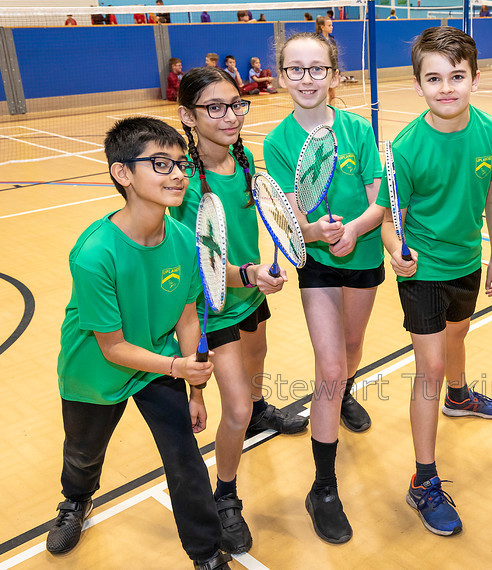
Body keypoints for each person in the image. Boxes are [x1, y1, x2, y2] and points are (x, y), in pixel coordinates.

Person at [45, 116, 231, 570]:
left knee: (186, 460)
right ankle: (76, 500)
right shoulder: (95, 253)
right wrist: (177, 369)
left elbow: (189, 317)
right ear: (122, 173)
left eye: (181, 164)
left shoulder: (185, 239)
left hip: (159, 363)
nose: (178, 174)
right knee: (83, 453)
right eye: (161, 164)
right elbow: (112, 348)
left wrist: (196, 389)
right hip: (96, 372)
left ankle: (207, 554)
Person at [375, 26, 492, 536]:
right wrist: (396, 252)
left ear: (475, 78)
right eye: (434, 79)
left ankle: (460, 397)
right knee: (428, 366)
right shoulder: (405, 149)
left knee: (458, 335)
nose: (447, 88)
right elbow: (391, 219)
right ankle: (423, 481)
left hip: (467, 262)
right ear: (418, 85)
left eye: (457, 76)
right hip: (424, 267)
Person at [172, 66, 308, 555]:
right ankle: (225, 494)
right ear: (187, 116)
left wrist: (304, 236)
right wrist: (248, 274)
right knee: (234, 408)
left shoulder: (246, 158)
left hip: (250, 297)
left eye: (236, 104)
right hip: (214, 310)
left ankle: (258, 414)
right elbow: (196, 261)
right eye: (215, 108)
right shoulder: (184, 181)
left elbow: (271, 221)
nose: (230, 116)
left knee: (258, 369)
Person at [264, 31, 385, 545]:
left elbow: (380, 202)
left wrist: (355, 228)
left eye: (317, 69)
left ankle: (344, 393)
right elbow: (287, 216)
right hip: (316, 265)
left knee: (352, 351)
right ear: (282, 75)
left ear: (334, 75)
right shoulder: (277, 143)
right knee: (329, 365)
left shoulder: (358, 130)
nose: (307, 78)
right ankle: (324, 488)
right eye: (296, 69)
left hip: (363, 256)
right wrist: (313, 233)